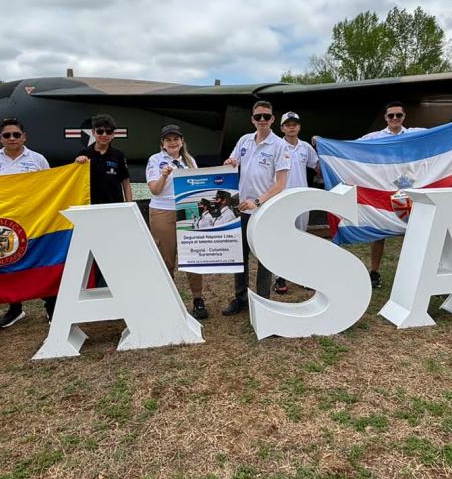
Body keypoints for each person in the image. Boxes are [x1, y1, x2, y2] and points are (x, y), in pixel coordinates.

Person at [0, 117, 53, 328]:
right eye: (7, 135)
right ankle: (15, 307)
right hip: (4, 222)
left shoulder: (38, 160)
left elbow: (50, 187)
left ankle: (51, 305)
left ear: (24, 137)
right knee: (8, 261)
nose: (12, 138)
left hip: (34, 218)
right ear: (0, 138)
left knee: (40, 259)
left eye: (16, 134)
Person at [222, 100, 292, 315]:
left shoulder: (280, 146)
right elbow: (233, 161)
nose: (262, 120)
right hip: (242, 208)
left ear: (272, 119)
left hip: (264, 210)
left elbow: (280, 184)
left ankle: (263, 303)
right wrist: (229, 162)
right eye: (258, 116)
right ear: (252, 119)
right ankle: (240, 298)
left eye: (266, 117)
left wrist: (258, 201)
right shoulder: (245, 140)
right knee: (240, 256)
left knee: (264, 256)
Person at [357, 100, 423, 290]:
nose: (395, 118)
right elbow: (350, 147)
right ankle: (375, 272)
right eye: (391, 115)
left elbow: (443, 133)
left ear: (404, 117)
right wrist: (322, 141)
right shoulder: (375, 137)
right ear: (385, 118)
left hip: (407, 188)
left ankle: (412, 272)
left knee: (411, 231)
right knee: (379, 232)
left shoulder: (414, 134)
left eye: (398, 115)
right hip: (383, 188)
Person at [146, 124, 208, 320]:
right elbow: (154, 190)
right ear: (162, 143)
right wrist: (164, 175)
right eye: (168, 139)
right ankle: (168, 299)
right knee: (167, 257)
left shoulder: (190, 161)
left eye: (176, 139)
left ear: (182, 141)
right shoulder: (155, 160)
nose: (173, 142)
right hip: (163, 209)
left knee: (192, 254)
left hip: (187, 209)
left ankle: (198, 299)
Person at [273, 111, 320, 294]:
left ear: (299, 127)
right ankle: (280, 277)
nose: (291, 127)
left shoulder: (305, 147)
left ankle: (302, 275)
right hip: (280, 198)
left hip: (301, 198)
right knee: (281, 239)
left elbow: (317, 168)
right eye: (288, 124)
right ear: (282, 127)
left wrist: (324, 148)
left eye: (295, 124)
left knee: (301, 237)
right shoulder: (276, 146)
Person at [74, 113, 132, 204]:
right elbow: (74, 180)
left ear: (113, 134)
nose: (104, 135)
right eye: (100, 131)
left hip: (114, 205)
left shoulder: (119, 155)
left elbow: (126, 183)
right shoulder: (83, 154)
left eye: (108, 132)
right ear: (93, 132)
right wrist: (76, 163)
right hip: (90, 205)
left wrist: (129, 205)